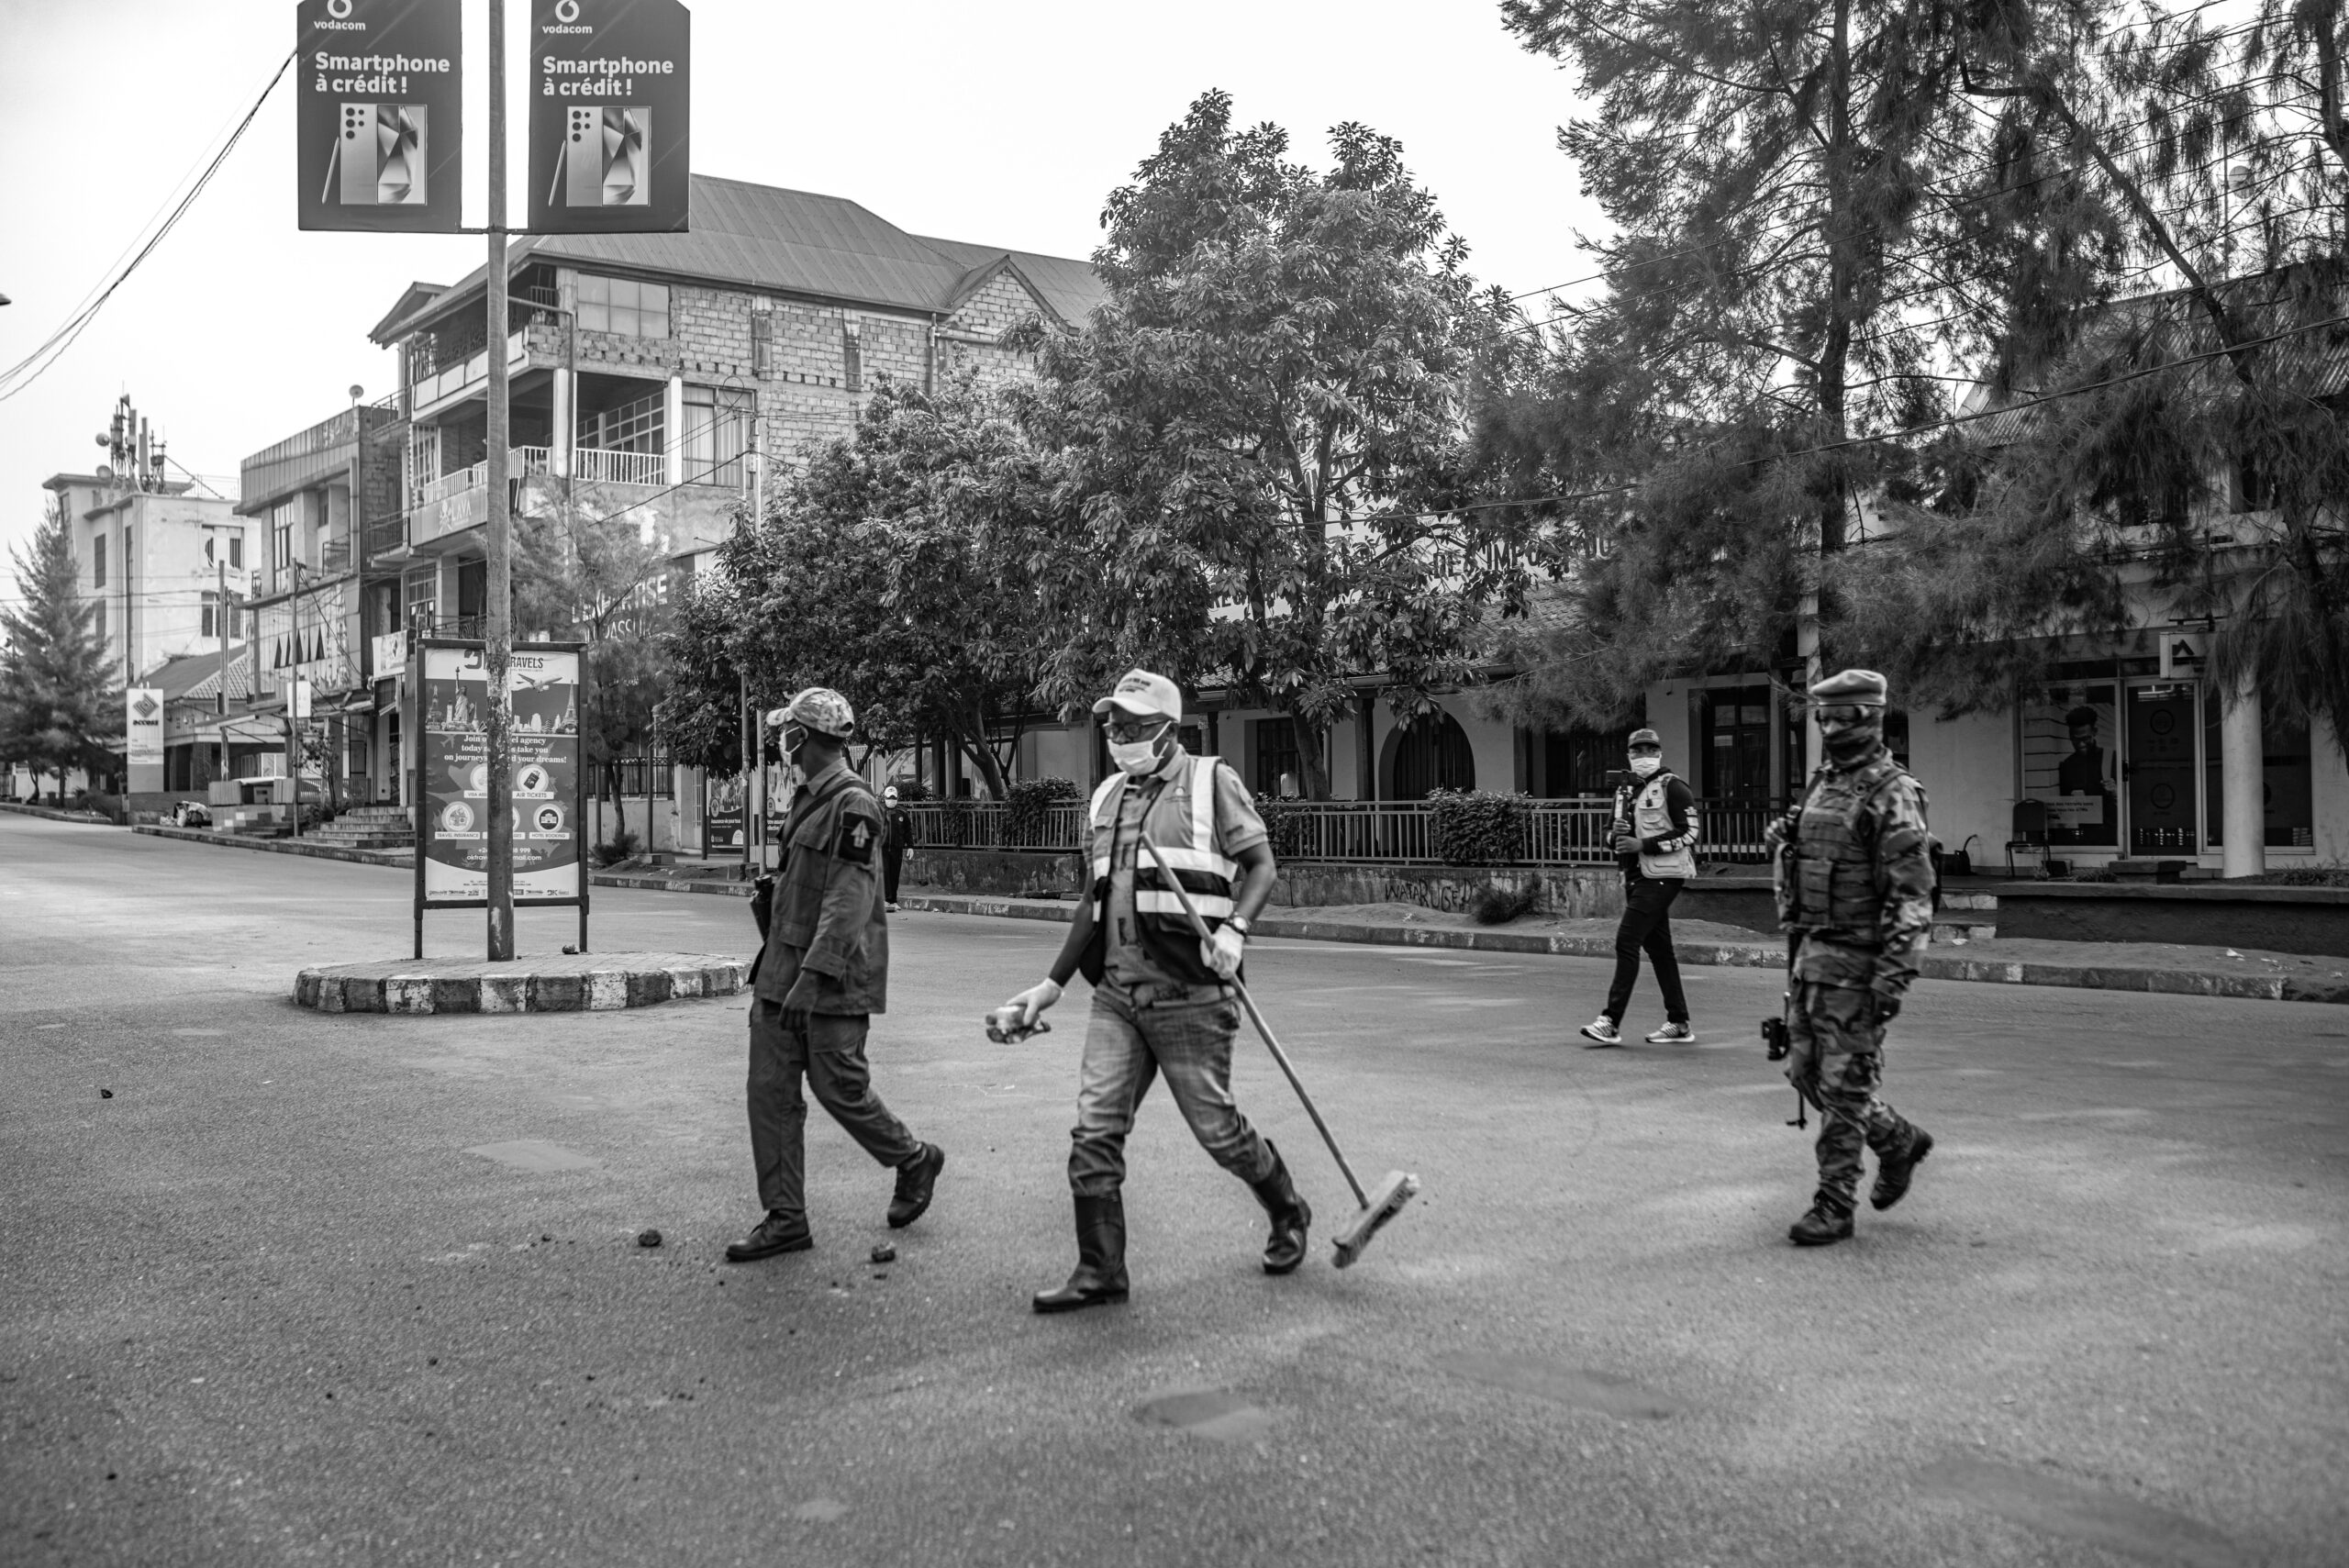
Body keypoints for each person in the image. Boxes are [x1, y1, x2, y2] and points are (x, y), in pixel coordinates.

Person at [994, 668, 1307, 1313]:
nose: (1118, 736)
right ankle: (1100, 1270)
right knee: (1094, 1131)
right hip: (1117, 997)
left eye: (1132, 727)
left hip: (1192, 993)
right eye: (1113, 726)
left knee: (1219, 1132)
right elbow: (1094, 899)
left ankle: (1287, 1208)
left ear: (1168, 729)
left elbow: (1261, 866)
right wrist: (1052, 985)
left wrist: (1236, 929)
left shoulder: (1211, 781)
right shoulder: (1108, 796)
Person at [727, 687, 946, 1263]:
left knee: (838, 1087)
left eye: (787, 732)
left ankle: (914, 1158)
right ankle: (786, 1218)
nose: (782, 741)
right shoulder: (808, 796)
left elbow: (849, 899)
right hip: (780, 967)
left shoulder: (855, 805)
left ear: (803, 737)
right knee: (769, 1093)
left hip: (830, 976)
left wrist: (814, 975)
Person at [1765, 669, 1936, 1248]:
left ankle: (1835, 1203)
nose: (1834, 729)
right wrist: (1786, 837)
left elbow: (1912, 896)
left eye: (1845, 718)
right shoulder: (1824, 783)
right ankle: (1898, 1140)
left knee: (1844, 1086)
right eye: (1827, 719)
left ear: (1872, 719)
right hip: (1812, 956)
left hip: (1860, 965)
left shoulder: (1893, 792)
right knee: (1806, 1074)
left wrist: (1894, 976)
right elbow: (1810, 842)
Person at [1579, 728, 1700, 1046]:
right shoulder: (1624, 792)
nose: (1644, 756)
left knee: (1627, 941)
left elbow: (1690, 833)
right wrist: (1615, 836)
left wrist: (1643, 844)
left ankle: (1610, 1022)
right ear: (1629, 755)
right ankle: (1679, 1023)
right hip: (1634, 876)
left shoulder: (1673, 787)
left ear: (1659, 753)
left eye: (1650, 750)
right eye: (1637, 750)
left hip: (1663, 876)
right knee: (1660, 951)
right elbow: (1609, 835)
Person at [880, 784, 912, 912]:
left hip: (897, 849)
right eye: (889, 798)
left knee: (894, 875)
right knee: (885, 874)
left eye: (893, 798)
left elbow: (908, 831)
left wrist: (910, 846)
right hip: (882, 848)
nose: (891, 800)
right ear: (885, 798)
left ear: (897, 798)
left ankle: (893, 901)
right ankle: (886, 900)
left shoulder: (902, 812)